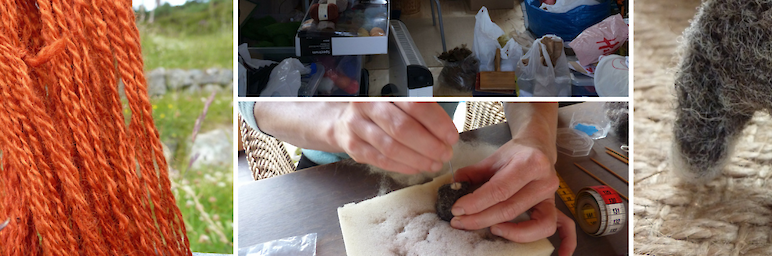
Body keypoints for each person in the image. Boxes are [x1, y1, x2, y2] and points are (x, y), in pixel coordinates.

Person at [238, 102, 577, 256]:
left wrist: (536, 138)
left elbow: (531, 94)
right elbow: (251, 103)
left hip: (440, 162)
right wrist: (337, 118)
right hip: (325, 177)